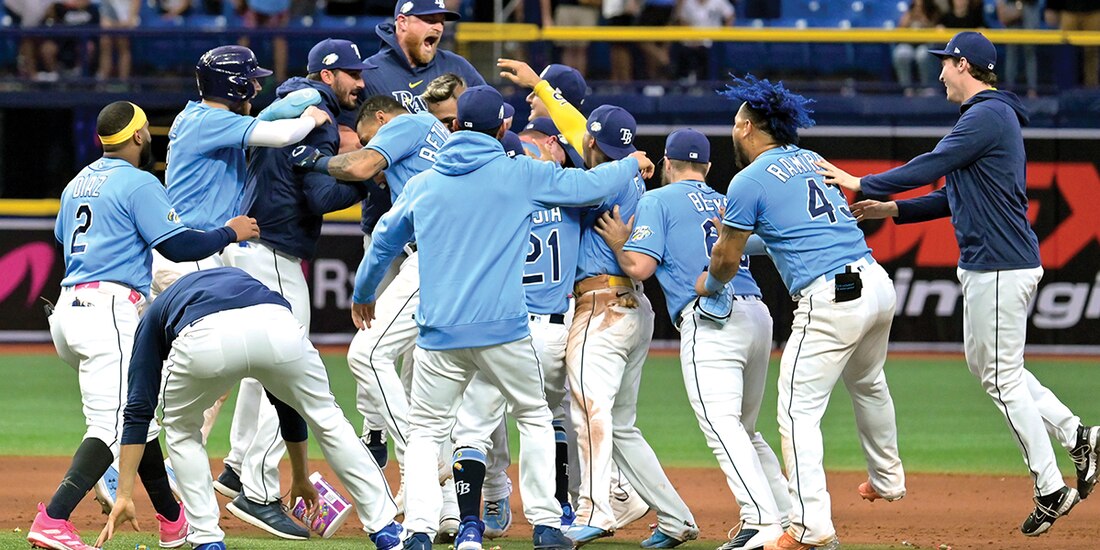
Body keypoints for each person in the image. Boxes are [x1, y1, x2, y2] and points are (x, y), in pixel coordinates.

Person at [816, 31, 1100, 538]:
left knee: (1001, 377)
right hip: (996, 262)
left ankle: (1051, 486)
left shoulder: (986, 115)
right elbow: (952, 195)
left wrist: (864, 182)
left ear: (964, 64)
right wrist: (893, 209)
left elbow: (930, 167)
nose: (940, 72)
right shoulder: (988, 117)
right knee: (992, 368)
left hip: (998, 265)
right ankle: (1078, 436)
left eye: (945, 63)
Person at [351, 84, 654, 550]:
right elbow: (592, 184)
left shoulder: (424, 182)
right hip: (505, 332)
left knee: (427, 429)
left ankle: (419, 530)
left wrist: (364, 291)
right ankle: (546, 525)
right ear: (504, 127)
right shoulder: (521, 175)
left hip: (439, 332)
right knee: (534, 416)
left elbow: (386, 239)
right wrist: (630, 163)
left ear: (453, 126)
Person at [26, 100, 260, 550]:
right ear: (137, 137)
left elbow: (63, 235)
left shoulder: (78, 181)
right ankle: (54, 518)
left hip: (69, 309)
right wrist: (231, 232)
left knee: (140, 420)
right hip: (107, 310)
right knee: (112, 426)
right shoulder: (137, 182)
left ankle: (173, 523)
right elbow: (179, 246)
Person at [498, 58, 698, 548]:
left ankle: (597, 508)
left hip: (601, 308)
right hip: (632, 307)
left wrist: (543, 89)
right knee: (621, 425)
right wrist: (544, 90)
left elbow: (573, 134)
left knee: (588, 412)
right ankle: (675, 518)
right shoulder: (628, 174)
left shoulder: (608, 175)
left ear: (592, 144)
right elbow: (579, 134)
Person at [704, 74, 906, 550]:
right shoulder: (810, 159)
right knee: (869, 383)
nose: (734, 130)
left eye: (738, 123)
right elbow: (788, 236)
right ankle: (888, 479)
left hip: (831, 297)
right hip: (875, 284)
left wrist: (712, 280)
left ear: (750, 127)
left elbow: (727, 260)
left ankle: (810, 527)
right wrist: (738, 237)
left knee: (797, 410)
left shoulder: (747, 179)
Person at [92, 268, 407, 550]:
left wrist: (124, 494)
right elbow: (286, 402)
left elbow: (138, 411)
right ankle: (385, 528)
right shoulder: (239, 281)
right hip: (278, 326)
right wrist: (298, 474)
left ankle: (206, 538)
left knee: (182, 429)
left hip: (205, 339)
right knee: (327, 418)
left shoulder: (152, 314)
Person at [592, 129, 793, 550]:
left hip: (713, 320)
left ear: (667, 163)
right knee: (746, 429)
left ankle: (760, 522)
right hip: (757, 313)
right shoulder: (723, 200)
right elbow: (758, 242)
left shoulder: (657, 200)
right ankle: (791, 516)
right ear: (707, 167)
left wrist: (617, 242)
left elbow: (641, 268)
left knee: (723, 427)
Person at [290, 82, 465, 542]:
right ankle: (447, 510)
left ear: (382, 121)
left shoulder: (405, 123)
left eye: (371, 136)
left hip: (437, 260)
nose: (372, 150)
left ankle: (420, 462)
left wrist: (317, 161)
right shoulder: (437, 143)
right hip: (468, 263)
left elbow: (364, 164)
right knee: (428, 383)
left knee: (366, 355)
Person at [218, 37, 377, 540]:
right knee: (283, 367)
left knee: (252, 365)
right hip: (275, 252)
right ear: (328, 76)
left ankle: (237, 463)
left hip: (248, 246)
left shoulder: (289, 100)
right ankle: (258, 491)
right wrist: (367, 173)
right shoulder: (318, 113)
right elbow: (318, 195)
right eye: (352, 74)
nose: (361, 83)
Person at [359, 0, 485, 112]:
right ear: (403, 22)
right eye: (430, 20)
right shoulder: (370, 73)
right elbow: (345, 130)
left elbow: (494, 112)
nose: (439, 28)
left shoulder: (457, 66)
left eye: (441, 21)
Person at [672, 0, 735, 83]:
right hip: (691, 39)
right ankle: (683, 80)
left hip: (712, 40)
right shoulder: (688, 2)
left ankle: (705, 84)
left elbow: (730, 15)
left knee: (708, 51)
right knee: (680, 48)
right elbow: (682, 21)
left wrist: (726, 33)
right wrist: (692, 37)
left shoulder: (719, 1)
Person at [892, 0, 942, 96]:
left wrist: (924, 19)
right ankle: (907, 89)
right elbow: (900, 29)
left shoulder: (933, 9)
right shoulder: (909, 9)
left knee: (922, 54)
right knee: (901, 53)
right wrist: (910, 16)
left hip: (927, 43)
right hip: (908, 43)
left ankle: (927, 88)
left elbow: (936, 29)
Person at [1046, 0, 1100, 88]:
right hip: (1068, 10)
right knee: (1065, 51)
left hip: (1094, 10)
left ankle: (1092, 89)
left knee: (1092, 52)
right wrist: (1051, 7)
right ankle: (1065, 88)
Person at [539, 0, 601, 76]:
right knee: (568, 49)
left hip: (587, 8)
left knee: (582, 49)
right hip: (565, 7)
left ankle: (580, 84)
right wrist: (546, 17)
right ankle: (568, 83)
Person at [235, 0, 289, 82]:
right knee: (245, 37)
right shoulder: (251, 13)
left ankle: (280, 79)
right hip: (254, 8)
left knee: (279, 39)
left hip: (278, 9)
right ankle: (238, 74)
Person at [997, 0, 1040, 97]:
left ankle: (1032, 90)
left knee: (1030, 50)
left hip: (1030, 6)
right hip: (1012, 4)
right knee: (1011, 51)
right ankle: (1009, 89)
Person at [96, 0, 138, 80]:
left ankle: (124, 80)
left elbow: (132, 17)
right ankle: (103, 81)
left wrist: (128, 20)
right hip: (110, 18)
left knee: (123, 45)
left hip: (125, 18)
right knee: (105, 44)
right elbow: (105, 20)